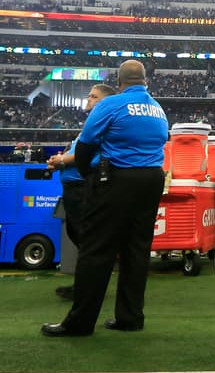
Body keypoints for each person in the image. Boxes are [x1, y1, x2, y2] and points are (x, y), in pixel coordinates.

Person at [42, 60, 168, 337]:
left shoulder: (110, 105)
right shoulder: (158, 110)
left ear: (119, 82)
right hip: (151, 180)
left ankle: (79, 323)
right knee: (136, 250)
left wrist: (90, 176)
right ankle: (130, 317)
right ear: (145, 81)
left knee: (96, 250)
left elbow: (85, 148)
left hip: (117, 179)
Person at [46, 83, 117, 301]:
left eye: (94, 96)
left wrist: (60, 160)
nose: (88, 99)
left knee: (85, 240)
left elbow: (85, 154)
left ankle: (88, 289)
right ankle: (86, 286)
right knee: (80, 237)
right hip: (76, 187)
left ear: (104, 101)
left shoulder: (100, 123)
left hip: (81, 188)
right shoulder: (94, 123)